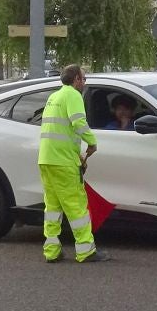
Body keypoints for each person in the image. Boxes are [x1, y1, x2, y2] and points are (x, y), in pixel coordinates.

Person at [38, 64, 102, 263]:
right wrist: (92, 143)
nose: (84, 83)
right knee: (76, 206)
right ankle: (85, 250)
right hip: (63, 162)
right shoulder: (73, 96)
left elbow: (61, 131)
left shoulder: (53, 97)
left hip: (46, 159)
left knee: (52, 207)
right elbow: (79, 124)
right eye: (83, 79)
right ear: (76, 80)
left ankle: (52, 251)